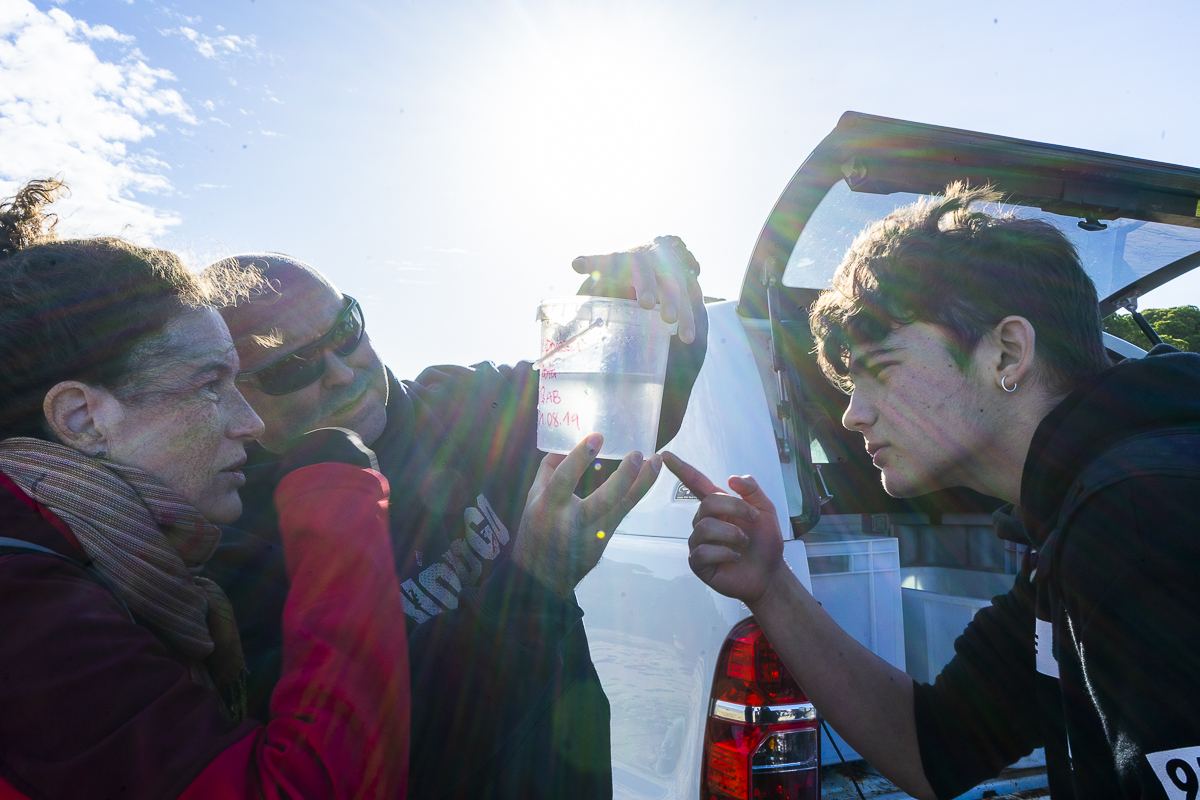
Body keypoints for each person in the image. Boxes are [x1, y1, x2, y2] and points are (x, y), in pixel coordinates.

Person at [668, 183, 1200, 800]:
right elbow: (936, 745)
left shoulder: (1140, 514)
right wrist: (771, 585)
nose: (852, 415)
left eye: (882, 370)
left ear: (1007, 351)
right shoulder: (1077, 524)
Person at [202, 240, 708, 798]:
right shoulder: (227, 546)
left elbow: (629, 405)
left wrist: (648, 299)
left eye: (346, 331)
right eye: (290, 367)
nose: (342, 373)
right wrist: (535, 583)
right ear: (227, 391)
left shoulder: (465, 406)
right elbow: (375, 755)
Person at [0, 179, 410, 799]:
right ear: (83, 419)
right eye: (210, 385)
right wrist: (339, 501)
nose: (248, 422)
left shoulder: (76, 558)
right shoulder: (24, 617)